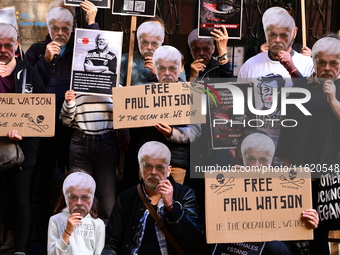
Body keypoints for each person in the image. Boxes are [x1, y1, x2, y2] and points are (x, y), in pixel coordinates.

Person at [24, 2, 99, 254]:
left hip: (73, 131)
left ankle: (77, 243)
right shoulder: (35, 51)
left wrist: (92, 23)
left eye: (65, 28)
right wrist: (45, 62)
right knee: (40, 188)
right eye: (55, 28)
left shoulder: (81, 47)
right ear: (48, 28)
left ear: (72, 27)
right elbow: (26, 88)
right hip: (42, 133)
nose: (60, 33)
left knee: (77, 188)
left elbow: (100, 60)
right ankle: (38, 242)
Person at [276, 36, 340, 255]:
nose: (328, 68)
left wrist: (333, 101)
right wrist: (287, 179)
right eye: (322, 62)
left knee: (324, 232)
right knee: (307, 236)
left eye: (334, 63)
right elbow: (287, 138)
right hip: (303, 180)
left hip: (333, 182)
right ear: (314, 62)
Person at [102, 141, 203, 255]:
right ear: (140, 169)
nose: (153, 172)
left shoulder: (184, 194)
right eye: (148, 166)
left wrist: (171, 207)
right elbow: (112, 243)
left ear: (168, 170)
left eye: (159, 167)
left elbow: (195, 241)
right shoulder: (126, 198)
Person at [123, 46, 201, 188]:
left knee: (173, 200)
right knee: (149, 201)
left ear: (182, 68)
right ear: (154, 68)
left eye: (172, 68)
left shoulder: (191, 93)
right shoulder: (142, 93)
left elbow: (195, 132)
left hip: (176, 162)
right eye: (162, 68)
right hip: (148, 162)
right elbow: (131, 127)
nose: (166, 73)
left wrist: (172, 133)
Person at [0, 22, 45, 255]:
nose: (3, 50)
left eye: (8, 45)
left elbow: (42, 111)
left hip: (23, 148)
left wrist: (23, 129)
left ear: (17, 44)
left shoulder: (30, 72)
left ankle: (20, 249)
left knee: (20, 200)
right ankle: (7, 236)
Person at [61, 86, 118, 221]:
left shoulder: (115, 86)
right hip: (80, 140)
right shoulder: (76, 85)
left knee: (107, 199)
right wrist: (69, 103)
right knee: (77, 196)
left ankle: (106, 240)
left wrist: (119, 101)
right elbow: (66, 120)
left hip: (106, 142)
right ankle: (78, 238)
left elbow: (124, 116)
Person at [48, 171, 105, 254]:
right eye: (73, 197)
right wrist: (67, 232)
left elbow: (99, 252)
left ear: (92, 196)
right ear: (65, 195)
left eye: (85, 197)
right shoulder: (55, 220)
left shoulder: (98, 224)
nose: (79, 203)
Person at [119, 21, 164, 86]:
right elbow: (116, 92)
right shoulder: (124, 60)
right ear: (138, 40)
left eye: (154, 43)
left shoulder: (173, 60)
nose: (149, 47)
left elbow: (180, 91)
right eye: (144, 42)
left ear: (162, 40)